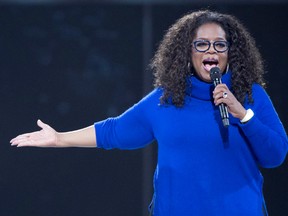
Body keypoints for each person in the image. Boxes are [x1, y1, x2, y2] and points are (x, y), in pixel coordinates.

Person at [10, 10, 288, 216]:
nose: (211, 50)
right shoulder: (165, 99)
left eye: (220, 44)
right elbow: (115, 130)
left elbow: (275, 155)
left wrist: (243, 115)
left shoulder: (251, 95)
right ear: (187, 52)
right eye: (201, 44)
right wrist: (60, 138)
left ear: (230, 53)